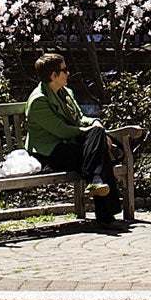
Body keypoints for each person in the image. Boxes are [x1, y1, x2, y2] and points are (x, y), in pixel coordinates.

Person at [24, 51, 125, 227]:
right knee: (99, 150)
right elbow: (61, 131)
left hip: (69, 146)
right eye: (64, 70)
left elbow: (79, 118)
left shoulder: (65, 92)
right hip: (50, 153)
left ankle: (96, 180)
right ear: (53, 75)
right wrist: (94, 133)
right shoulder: (38, 101)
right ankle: (105, 213)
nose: (68, 73)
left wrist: (95, 122)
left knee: (97, 145)